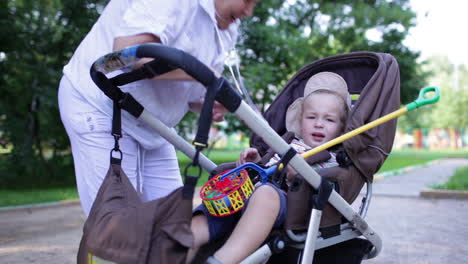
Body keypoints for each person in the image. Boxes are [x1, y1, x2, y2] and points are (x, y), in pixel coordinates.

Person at [58, 0, 259, 216]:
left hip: (152, 124)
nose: (248, 12)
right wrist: (205, 75)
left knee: (170, 224)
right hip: (102, 106)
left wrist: (203, 102)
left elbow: (184, 81)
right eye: (247, 0)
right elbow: (124, 53)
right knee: (121, 229)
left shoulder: (226, 23)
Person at [189, 72, 351, 264]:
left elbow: (327, 185)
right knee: (213, 206)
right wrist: (256, 161)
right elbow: (268, 167)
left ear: (341, 129)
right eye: (311, 117)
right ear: (300, 121)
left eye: (329, 120)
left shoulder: (333, 159)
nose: (318, 124)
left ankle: (222, 260)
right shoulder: (287, 143)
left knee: (266, 194)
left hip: (288, 204)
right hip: (244, 195)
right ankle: (178, 249)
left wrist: (299, 176)